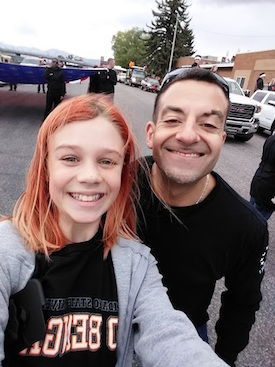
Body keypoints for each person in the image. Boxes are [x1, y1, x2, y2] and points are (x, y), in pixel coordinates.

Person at [0, 94, 229, 367]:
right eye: (70, 158)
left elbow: (170, 336)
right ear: (46, 167)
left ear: (122, 171)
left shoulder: (136, 265)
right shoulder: (7, 251)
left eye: (107, 161)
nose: (90, 176)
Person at [136, 68, 269, 367]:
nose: (187, 135)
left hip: (187, 335)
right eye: (172, 120)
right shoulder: (113, 187)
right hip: (103, 322)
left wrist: (224, 358)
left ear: (221, 139)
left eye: (208, 124)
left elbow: (242, 304)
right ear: (151, 132)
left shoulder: (246, 227)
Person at [250, 133, 275, 220]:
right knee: (258, 221)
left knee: (249, 212)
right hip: (270, 186)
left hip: (259, 178)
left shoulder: (271, 139)